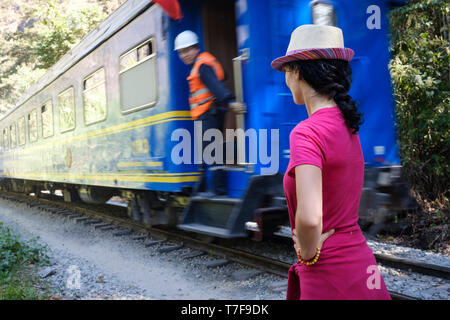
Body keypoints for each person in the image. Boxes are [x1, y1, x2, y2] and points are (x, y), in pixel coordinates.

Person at [271, 24, 391, 300]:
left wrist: (308, 254)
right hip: (361, 266)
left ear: (297, 72)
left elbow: (311, 219)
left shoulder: (306, 132)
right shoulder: (348, 125)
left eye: (286, 73)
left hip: (328, 274)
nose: (286, 81)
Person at [174, 30, 245, 196]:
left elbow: (216, 85)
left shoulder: (201, 66)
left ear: (196, 48)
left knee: (212, 150)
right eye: (181, 52)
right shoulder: (202, 63)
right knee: (213, 148)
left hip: (209, 112)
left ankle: (218, 190)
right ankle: (215, 186)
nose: (184, 55)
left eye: (188, 50)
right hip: (210, 111)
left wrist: (231, 101)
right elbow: (223, 76)